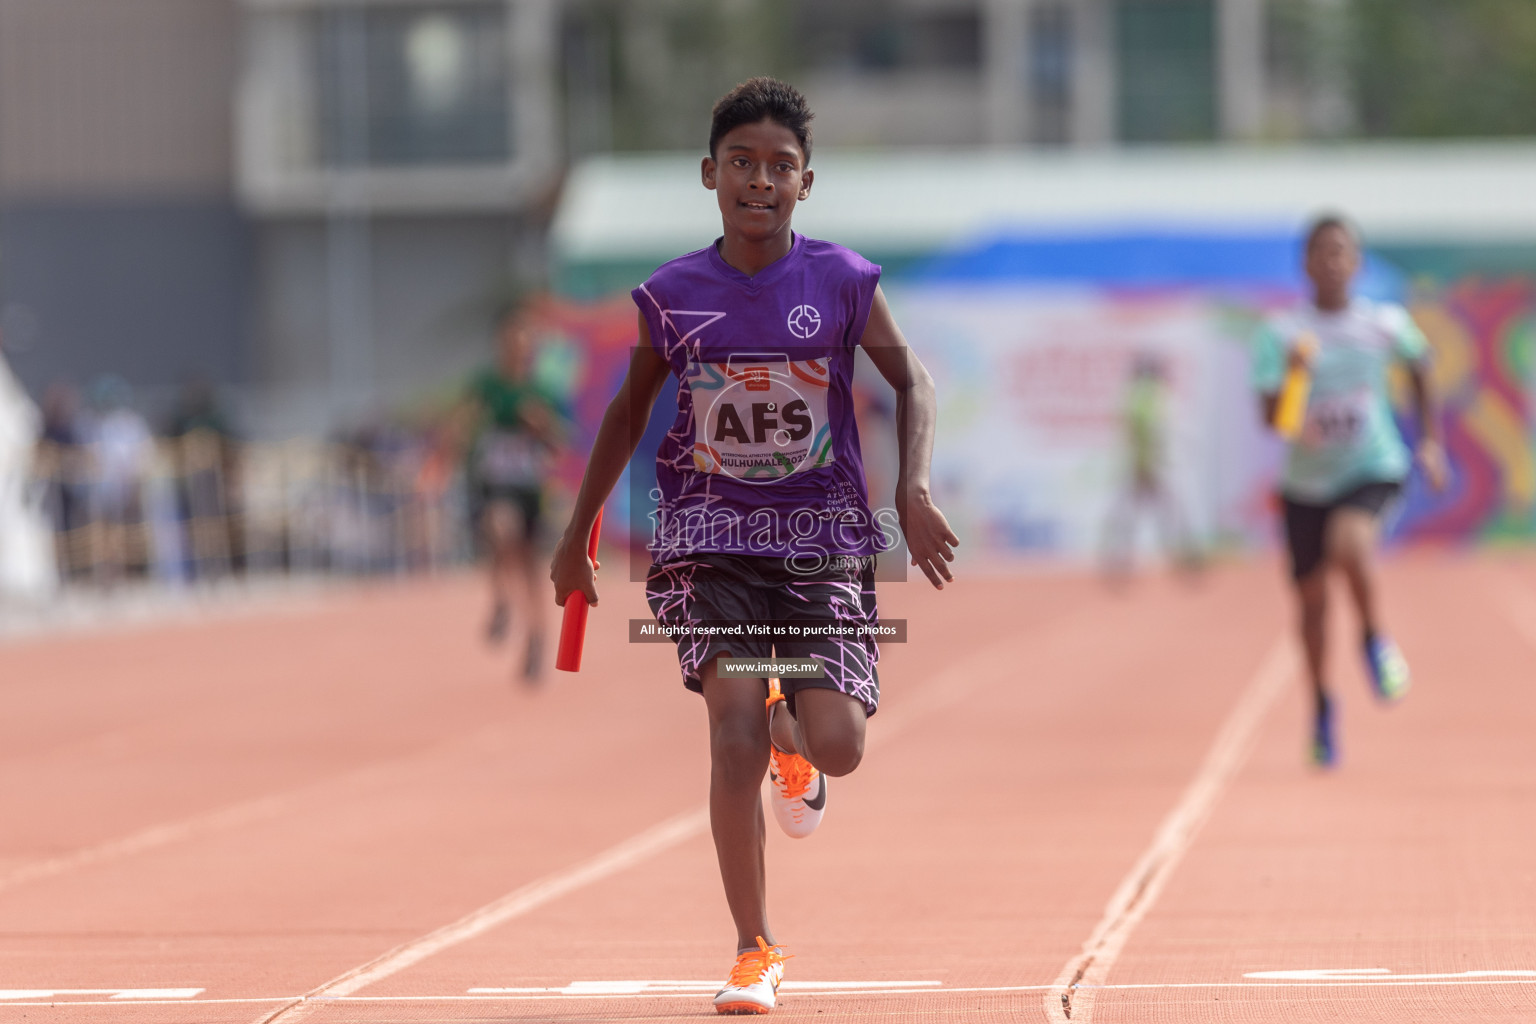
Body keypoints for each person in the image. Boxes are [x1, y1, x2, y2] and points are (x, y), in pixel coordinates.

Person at [549, 77, 957, 1015]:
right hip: (710, 548)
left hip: (819, 542)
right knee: (726, 735)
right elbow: (622, 416)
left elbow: (916, 383)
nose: (760, 182)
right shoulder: (675, 296)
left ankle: (795, 735)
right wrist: (579, 536)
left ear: (806, 183)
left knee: (842, 746)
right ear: (710, 175)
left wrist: (913, 484)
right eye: (743, 164)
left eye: (780, 167)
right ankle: (754, 948)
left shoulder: (844, 283)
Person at [1252, 214, 1447, 768]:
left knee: (1351, 544)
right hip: (1305, 482)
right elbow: (1273, 421)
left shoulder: (1385, 322)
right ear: (1306, 264)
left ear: (1356, 263)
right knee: (1311, 601)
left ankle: (1374, 639)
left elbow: (1422, 364)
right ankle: (1321, 706)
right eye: (1322, 252)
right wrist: (1293, 377)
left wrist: (1430, 443)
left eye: (1343, 252)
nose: (1333, 262)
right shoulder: (1281, 334)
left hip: (1371, 466)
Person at [457, 304, 565, 680]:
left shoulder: (540, 391)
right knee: (500, 530)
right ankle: (501, 598)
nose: (516, 348)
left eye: (523, 342)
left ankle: (536, 635)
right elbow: (463, 421)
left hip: (528, 489)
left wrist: (541, 426)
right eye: (510, 341)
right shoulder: (488, 385)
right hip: (494, 483)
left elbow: (559, 444)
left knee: (530, 567)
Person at [1100, 351, 1198, 579]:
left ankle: (1121, 561)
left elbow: (1134, 431)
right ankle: (1182, 559)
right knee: (1169, 513)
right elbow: (1148, 432)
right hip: (1153, 464)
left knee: (1132, 514)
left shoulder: (1136, 395)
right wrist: (1146, 463)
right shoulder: (1154, 395)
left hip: (1145, 463)